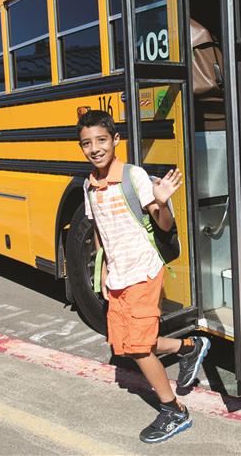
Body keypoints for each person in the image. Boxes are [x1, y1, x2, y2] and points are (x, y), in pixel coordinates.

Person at [76, 110, 210, 444]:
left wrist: (162, 203)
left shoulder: (133, 176)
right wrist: (103, 266)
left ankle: (174, 411)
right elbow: (98, 229)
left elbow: (162, 224)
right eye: (86, 143)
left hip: (143, 270)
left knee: (137, 348)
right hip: (118, 273)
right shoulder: (89, 185)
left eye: (101, 140)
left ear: (115, 140)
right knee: (123, 343)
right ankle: (189, 348)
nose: (95, 149)